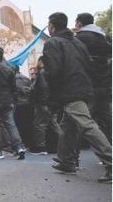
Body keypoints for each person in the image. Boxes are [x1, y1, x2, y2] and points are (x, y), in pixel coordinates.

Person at [44, 12, 111, 183]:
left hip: (70, 90)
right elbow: (89, 65)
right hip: (86, 87)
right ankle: (67, 162)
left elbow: (53, 71)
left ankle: (110, 161)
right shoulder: (77, 42)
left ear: (52, 26)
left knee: (86, 125)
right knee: (69, 125)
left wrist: (52, 96)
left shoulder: (53, 42)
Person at [75, 13, 112, 142]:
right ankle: (109, 149)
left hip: (88, 85)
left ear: (79, 23)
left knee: (84, 121)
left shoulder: (79, 39)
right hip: (106, 85)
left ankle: (73, 153)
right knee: (106, 120)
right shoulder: (105, 37)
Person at [30, 57, 61, 155]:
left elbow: (43, 88)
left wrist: (43, 101)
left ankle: (41, 147)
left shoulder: (42, 72)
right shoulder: (52, 71)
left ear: (41, 62)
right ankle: (65, 143)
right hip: (53, 102)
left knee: (40, 124)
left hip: (43, 103)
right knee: (54, 123)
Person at [14, 65, 34, 150]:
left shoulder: (13, 79)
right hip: (28, 103)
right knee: (28, 124)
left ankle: (22, 144)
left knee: (18, 125)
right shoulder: (26, 78)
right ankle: (29, 143)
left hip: (18, 104)